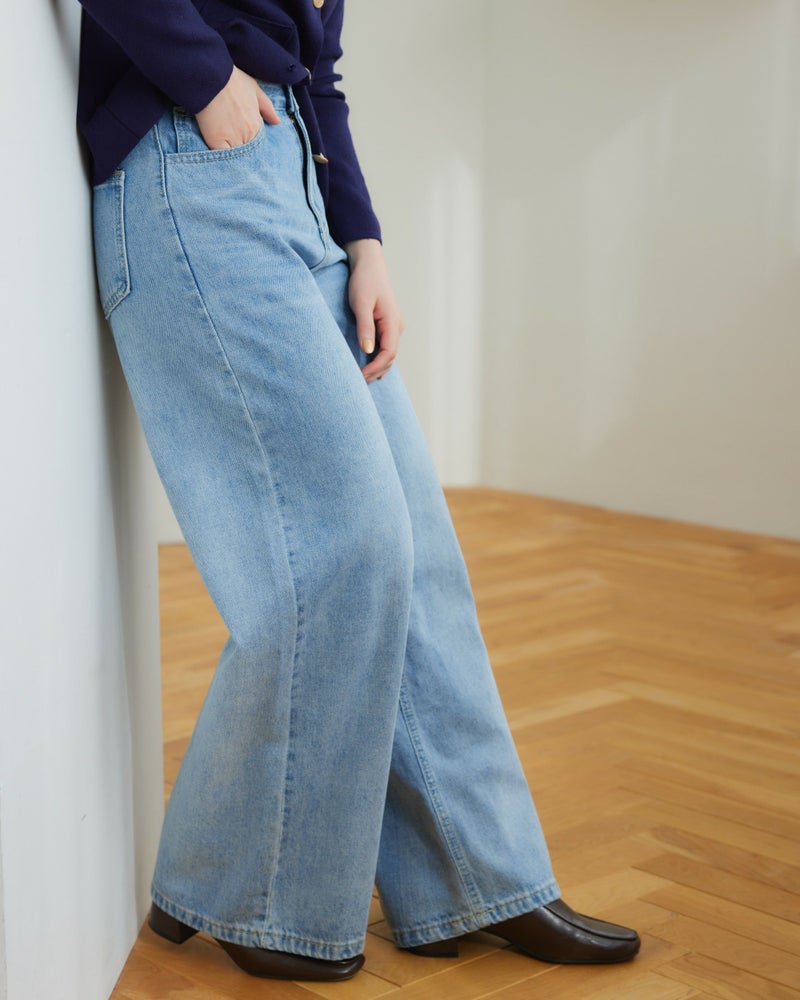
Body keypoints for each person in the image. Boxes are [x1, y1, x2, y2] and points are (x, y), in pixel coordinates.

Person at [78, 0, 640, 983]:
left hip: (294, 176)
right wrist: (204, 79)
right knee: (348, 543)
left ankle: (478, 877)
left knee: (417, 556)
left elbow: (318, 65)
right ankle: (248, 891)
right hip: (187, 171)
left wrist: (363, 240)